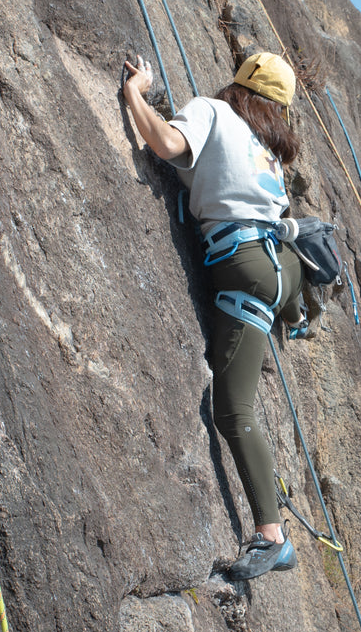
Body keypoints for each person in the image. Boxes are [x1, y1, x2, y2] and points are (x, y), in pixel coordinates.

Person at [122, 50, 305, 581]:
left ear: (239, 87)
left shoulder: (212, 111)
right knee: (275, 301)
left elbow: (165, 143)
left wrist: (136, 93)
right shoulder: (268, 152)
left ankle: (273, 537)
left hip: (244, 270)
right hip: (280, 271)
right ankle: (298, 316)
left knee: (232, 408)